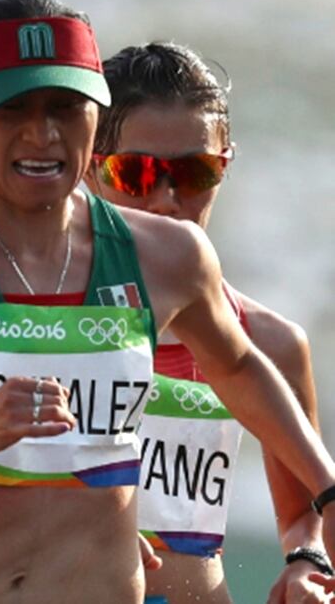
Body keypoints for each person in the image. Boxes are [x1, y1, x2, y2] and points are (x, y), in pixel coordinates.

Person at [0, 0, 335, 603]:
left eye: (66, 107)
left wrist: (326, 493)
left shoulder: (169, 256)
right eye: (11, 109)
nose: (43, 134)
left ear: (97, 111)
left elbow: (239, 367)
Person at [86, 41, 330, 604]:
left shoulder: (269, 342)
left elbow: (304, 518)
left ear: (225, 165)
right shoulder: (32, 318)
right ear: (92, 170)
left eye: (196, 172)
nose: (167, 201)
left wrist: (306, 564)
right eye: (137, 172)